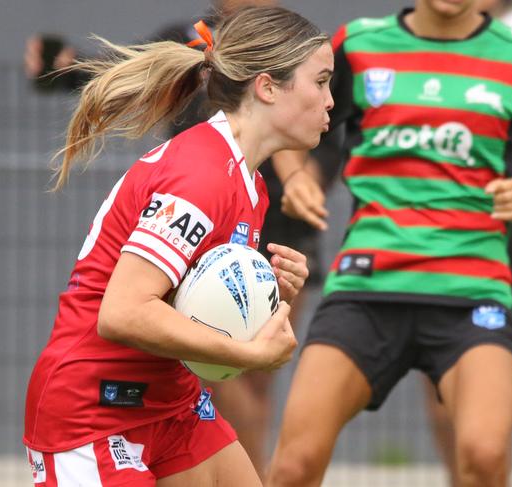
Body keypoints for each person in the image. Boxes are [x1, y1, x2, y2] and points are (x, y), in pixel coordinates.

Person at [23, 6, 333, 486]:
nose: (331, 101)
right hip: (96, 411)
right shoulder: (202, 176)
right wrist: (249, 356)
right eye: (321, 82)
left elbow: (195, 313)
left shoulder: (249, 183)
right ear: (268, 87)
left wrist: (268, 294)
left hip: (172, 402)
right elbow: (124, 313)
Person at [267, 1, 512, 486]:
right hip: (367, 284)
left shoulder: (511, 55)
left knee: (486, 457)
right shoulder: (359, 44)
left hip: (472, 290)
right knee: (294, 464)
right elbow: (289, 115)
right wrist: (296, 175)